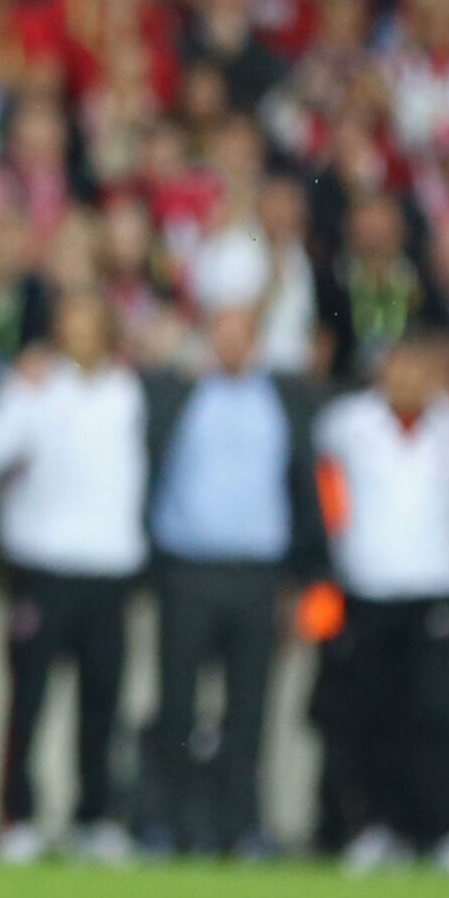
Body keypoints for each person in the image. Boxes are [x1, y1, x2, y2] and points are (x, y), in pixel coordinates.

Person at [140, 307, 326, 856]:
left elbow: (302, 486)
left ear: (258, 342)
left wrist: (302, 578)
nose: (229, 343)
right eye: (220, 332)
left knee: (249, 708)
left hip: (258, 575)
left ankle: (241, 825)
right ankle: (169, 822)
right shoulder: (179, 395)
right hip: (187, 569)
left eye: (240, 334)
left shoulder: (285, 401)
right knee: (176, 705)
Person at [0, 292, 148, 867]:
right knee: (28, 699)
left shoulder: (131, 395)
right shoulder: (36, 387)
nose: (80, 338)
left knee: (102, 703)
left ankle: (95, 818)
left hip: (109, 569)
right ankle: (18, 817)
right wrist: (18, 392)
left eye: (90, 327)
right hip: (42, 567)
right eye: (70, 327)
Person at [315, 333, 449, 870]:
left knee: (435, 715)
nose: (409, 379)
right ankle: (373, 827)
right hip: (368, 589)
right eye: (400, 367)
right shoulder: (347, 425)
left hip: (434, 591)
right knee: (371, 714)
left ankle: (441, 830)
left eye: (421, 368)